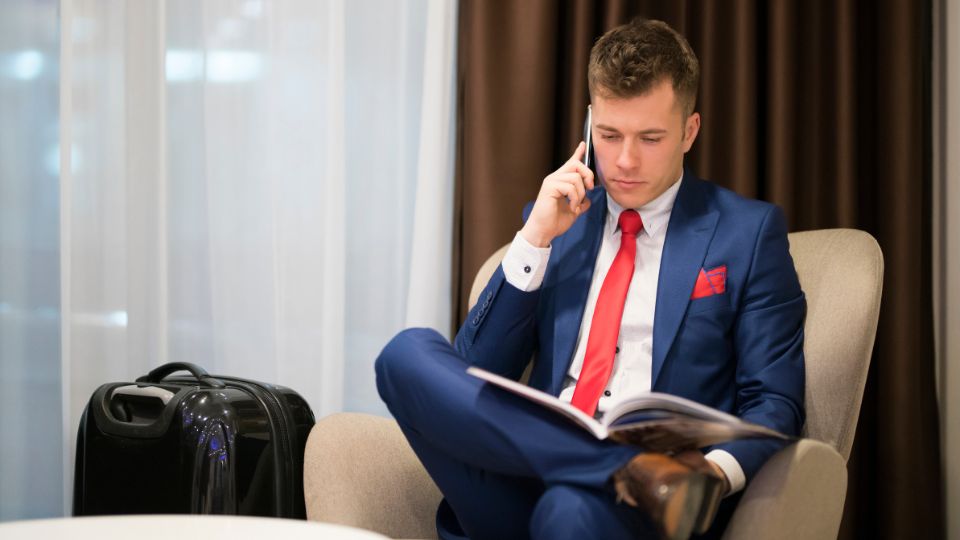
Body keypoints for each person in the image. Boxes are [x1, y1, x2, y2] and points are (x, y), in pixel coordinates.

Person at [375, 18, 805, 540]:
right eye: (608, 135)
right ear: (588, 124)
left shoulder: (747, 233)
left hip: (629, 514)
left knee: (570, 510)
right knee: (404, 353)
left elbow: (775, 403)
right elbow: (472, 373)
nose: (624, 160)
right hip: (518, 482)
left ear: (689, 131)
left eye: (650, 138)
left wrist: (711, 474)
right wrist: (535, 238)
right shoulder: (560, 224)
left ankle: (639, 478)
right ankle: (625, 469)